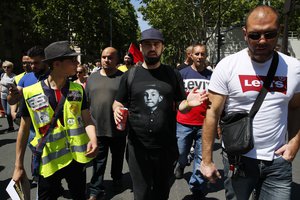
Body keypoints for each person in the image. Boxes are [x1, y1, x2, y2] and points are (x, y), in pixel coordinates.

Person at [200, 5, 300, 200]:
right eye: (255, 35)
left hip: (277, 163)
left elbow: (296, 106)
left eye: (269, 34)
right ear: (245, 34)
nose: (262, 41)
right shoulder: (227, 66)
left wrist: (294, 144)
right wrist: (206, 160)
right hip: (238, 161)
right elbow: (212, 114)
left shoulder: (294, 68)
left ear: (278, 32)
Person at [113, 28, 208, 200]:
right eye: (147, 44)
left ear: (162, 47)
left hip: (166, 147)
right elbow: (118, 102)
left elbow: (181, 104)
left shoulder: (173, 74)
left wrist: (189, 104)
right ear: (141, 47)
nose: (152, 48)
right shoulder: (130, 75)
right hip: (137, 148)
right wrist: (116, 111)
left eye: (156, 44)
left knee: (161, 193)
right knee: (141, 195)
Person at [12, 41, 98, 200]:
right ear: (57, 64)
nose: (77, 63)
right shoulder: (30, 93)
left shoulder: (78, 89)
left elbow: (87, 120)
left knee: (79, 196)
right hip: (49, 161)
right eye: (72, 60)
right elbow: (23, 131)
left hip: (77, 159)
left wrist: (93, 138)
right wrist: (18, 165)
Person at [86, 47, 126, 200]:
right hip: (97, 129)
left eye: (110, 58)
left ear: (117, 60)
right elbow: (87, 103)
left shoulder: (124, 78)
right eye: (103, 57)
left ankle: (117, 178)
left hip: (118, 129)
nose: (106, 60)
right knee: (98, 162)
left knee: (117, 158)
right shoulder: (92, 78)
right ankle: (95, 189)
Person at [174, 44, 212, 199]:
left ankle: (196, 185)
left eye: (203, 54)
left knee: (201, 156)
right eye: (197, 54)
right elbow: (176, 98)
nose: (200, 57)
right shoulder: (182, 74)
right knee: (181, 152)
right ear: (191, 55)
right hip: (183, 122)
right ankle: (181, 164)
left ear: (206, 55)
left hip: (204, 124)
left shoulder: (212, 76)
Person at [0, 60, 16, 132]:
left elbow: (15, 86)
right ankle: (11, 126)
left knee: (9, 113)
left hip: (11, 96)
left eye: (8, 67)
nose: (6, 68)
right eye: (4, 67)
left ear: (11, 68)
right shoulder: (2, 75)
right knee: (6, 113)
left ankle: (19, 122)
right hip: (3, 96)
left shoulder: (14, 76)